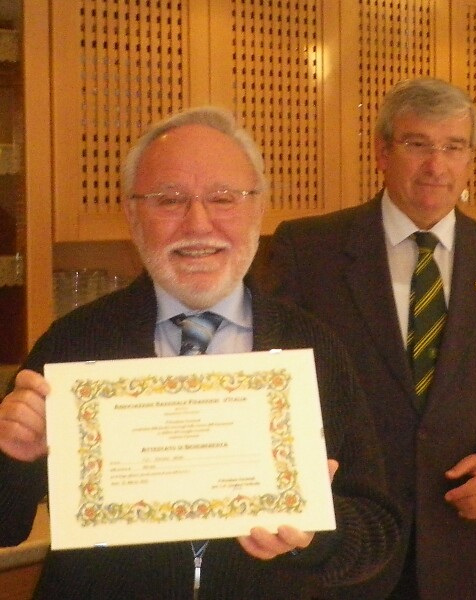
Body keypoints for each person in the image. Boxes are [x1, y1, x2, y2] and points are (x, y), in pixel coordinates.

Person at [0, 106, 401, 599]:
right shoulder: (73, 345)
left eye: (223, 198)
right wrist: (12, 458)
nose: (198, 224)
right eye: (169, 200)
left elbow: (379, 533)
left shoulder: (315, 348)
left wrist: (317, 534)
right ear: (132, 214)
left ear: (258, 208)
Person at [264, 78, 476, 600]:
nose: (436, 165)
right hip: (342, 538)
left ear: (471, 158)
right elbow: (273, 388)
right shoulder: (310, 251)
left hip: (455, 543)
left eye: (454, 147)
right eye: (417, 144)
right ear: (382, 152)